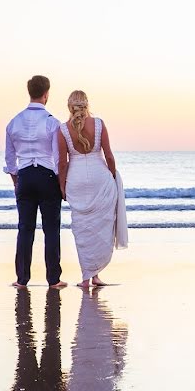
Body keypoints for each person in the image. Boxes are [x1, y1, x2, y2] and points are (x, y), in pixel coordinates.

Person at [56, 90, 127, 288]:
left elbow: (62, 163)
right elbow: (110, 156)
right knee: (100, 226)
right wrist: (112, 176)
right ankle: (94, 276)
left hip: (76, 180)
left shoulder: (62, 129)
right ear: (87, 104)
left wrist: (62, 186)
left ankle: (87, 277)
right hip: (99, 177)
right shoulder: (98, 124)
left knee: (82, 228)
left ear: (70, 106)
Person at [4, 75, 67, 289]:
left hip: (24, 177)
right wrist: (62, 184)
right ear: (46, 94)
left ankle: (22, 279)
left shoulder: (14, 122)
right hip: (47, 176)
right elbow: (59, 159)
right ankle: (54, 279)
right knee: (51, 229)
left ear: (29, 92)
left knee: (25, 228)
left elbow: (10, 160)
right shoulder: (52, 122)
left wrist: (16, 181)